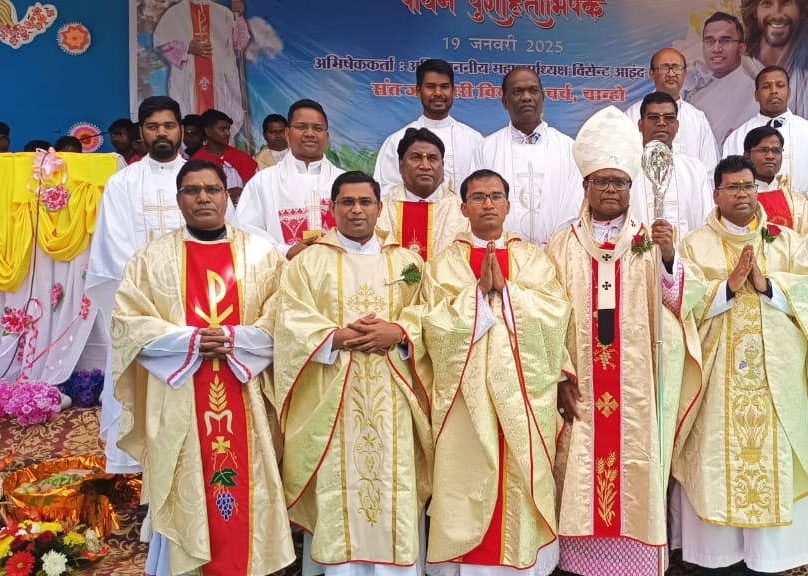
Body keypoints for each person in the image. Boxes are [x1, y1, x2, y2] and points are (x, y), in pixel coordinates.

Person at [112, 158, 293, 576]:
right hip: (180, 393)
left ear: (227, 196)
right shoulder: (151, 259)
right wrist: (190, 342)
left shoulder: (262, 255)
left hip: (245, 388)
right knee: (186, 480)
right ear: (179, 200)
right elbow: (128, 323)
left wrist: (236, 339)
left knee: (249, 480)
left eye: (212, 189)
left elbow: (284, 316)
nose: (203, 198)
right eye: (192, 191)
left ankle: (252, 564)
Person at [545, 107, 702, 576]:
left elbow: (677, 302)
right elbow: (547, 314)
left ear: (633, 188)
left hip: (636, 387)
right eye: (602, 181)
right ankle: (579, 562)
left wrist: (669, 258)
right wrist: (560, 375)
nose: (611, 189)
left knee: (634, 470)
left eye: (619, 182)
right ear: (585, 186)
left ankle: (635, 561)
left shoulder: (650, 241)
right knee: (579, 469)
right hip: (582, 384)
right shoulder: (562, 244)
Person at [671, 155, 808, 575]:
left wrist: (767, 284)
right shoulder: (695, 244)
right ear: (716, 193)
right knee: (715, 459)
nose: (742, 194)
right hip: (717, 376)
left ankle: (769, 559)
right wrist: (728, 287)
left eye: (748, 186)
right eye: (733, 187)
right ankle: (717, 559)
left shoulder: (784, 240)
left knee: (771, 463)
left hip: (776, 375)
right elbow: (680, 303)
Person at [275, 170, 432, 576]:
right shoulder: (308, 263)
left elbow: (430, 315)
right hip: (333, 397)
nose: (357, 210)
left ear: (380, 208)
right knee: (339, 486)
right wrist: (337, 337)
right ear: (332, 208)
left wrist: (398, 331)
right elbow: (289, 320)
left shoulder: (407, 262)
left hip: (394, 395)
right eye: (347, 202)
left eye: (365, 202)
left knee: (395, 484)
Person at [423, 169, 572, 576]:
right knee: (465, 473)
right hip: (465, 402)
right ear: (463, 207)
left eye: (495, 196)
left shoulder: (533, 260)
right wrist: (477, 297)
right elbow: (431, 327)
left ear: (508, 205)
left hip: (523, 396)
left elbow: (556, 316)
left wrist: (507, 293)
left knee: (520, 480)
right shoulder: (444, 265)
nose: (487, 204)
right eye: (478, 197)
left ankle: (524, 561)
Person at [89, 96, 233, 475]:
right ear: (142, 133)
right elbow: (114, 250)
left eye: (169, 126)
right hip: (145, 311)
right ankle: (139, 469)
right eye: (153, 127)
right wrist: (158, 298)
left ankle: (197, 464)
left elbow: (227, 238)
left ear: (181, 130)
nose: (162, 133)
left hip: (202, 305)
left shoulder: (203, 178)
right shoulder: (122, 183)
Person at [471, 67, 583, 244]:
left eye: (533, 90)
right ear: (505, 102)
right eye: (517, 91)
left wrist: (554, 246)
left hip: (556, 251)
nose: (526, 97)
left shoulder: (568, 148)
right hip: (501, 251)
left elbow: (575, 204)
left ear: (543, 98)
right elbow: (477, 203)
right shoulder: (487, 149)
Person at [234, 99, 346, 257]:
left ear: (327, 136)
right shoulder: (263, 182)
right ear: (287, 133)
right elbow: (243, 233)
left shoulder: (344, 182)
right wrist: (285, 251)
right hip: (282, 269)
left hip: (338, 268)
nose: (310, 133)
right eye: (301, 127)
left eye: (318, 128)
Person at [722, 66, 808, 197]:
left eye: (780, 86)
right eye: (766, 87)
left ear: (789, 92)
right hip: (753, 207)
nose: (774, 91)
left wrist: (804, 201)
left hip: (805, 207)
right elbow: (730, 179)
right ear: (756, 95)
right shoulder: (738, 137)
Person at [376, 59, 484, 196]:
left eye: (444, 87)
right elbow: (385, 192)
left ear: (454, 91)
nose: (438, 93)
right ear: (418, 91)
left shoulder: (474, 140)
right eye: (430, 87)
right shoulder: (396, 141)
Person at [154, 0, 251, 137]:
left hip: (220, 83)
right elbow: (161, 42)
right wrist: (187, 48)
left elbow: (239, 45)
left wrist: (238, 17)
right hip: (188, 81)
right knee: (189, 124)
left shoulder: (224, 13)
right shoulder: (176, 13)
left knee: (221, 125)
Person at [629, 92, 714, 239]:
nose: (661, 123)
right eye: (654, 117)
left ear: (677, 126)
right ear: (640, 125)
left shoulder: (695, 170)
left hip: (687, 252)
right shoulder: (627, 169)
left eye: (669, 118)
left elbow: (707, 222)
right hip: (636, 252)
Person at [374, 128, 469, 260]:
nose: (425, 166)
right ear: (401, 165)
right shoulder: (380, 211)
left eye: (432, 158)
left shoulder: (463, 212)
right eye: (416, 158)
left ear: (442, 166)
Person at [624, 49, 719, 167]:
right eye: (664, 68)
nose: (671, 74)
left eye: (677, 68)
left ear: (685, 74)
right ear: (652, 74)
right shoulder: (632, 115)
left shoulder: (697, 118)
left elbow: (710, 166)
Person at [738, 0, 808, 118]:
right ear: (754, 11)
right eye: (767, 3)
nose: (777, 14)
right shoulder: (740, 68)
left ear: (801, 10)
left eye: (786, 2)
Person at [742, 126, 808, 252]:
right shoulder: (738, 197)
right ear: (747, 155)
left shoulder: (796, 201)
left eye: (776, 151)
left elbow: (807, 244)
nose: (770, 156)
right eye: (763, 150)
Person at [690, 12, 759, 145]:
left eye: (725, 41)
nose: (716, 49)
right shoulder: (696, 98)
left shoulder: (755, 93)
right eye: (709, 41)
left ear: (741, 48)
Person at [190, 109, 258, 199]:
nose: (228, 133)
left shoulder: (241, 158)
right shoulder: (196, 162)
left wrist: (243, 192)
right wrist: (224, 195)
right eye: (222, 129)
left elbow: (257, 189)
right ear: (208, 131)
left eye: (228, 129)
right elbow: (193, 195)